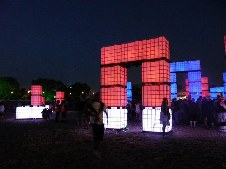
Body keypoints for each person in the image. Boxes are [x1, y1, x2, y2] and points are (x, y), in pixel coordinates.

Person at [89, 93, 108, 158]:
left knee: (96, 137)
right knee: (99, 138)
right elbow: (106, 111)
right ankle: (96, 150)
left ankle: (95, 149)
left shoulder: (91, 104)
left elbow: (88, 113)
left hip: (94, 123)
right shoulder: (102, 105)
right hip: (100, 122)